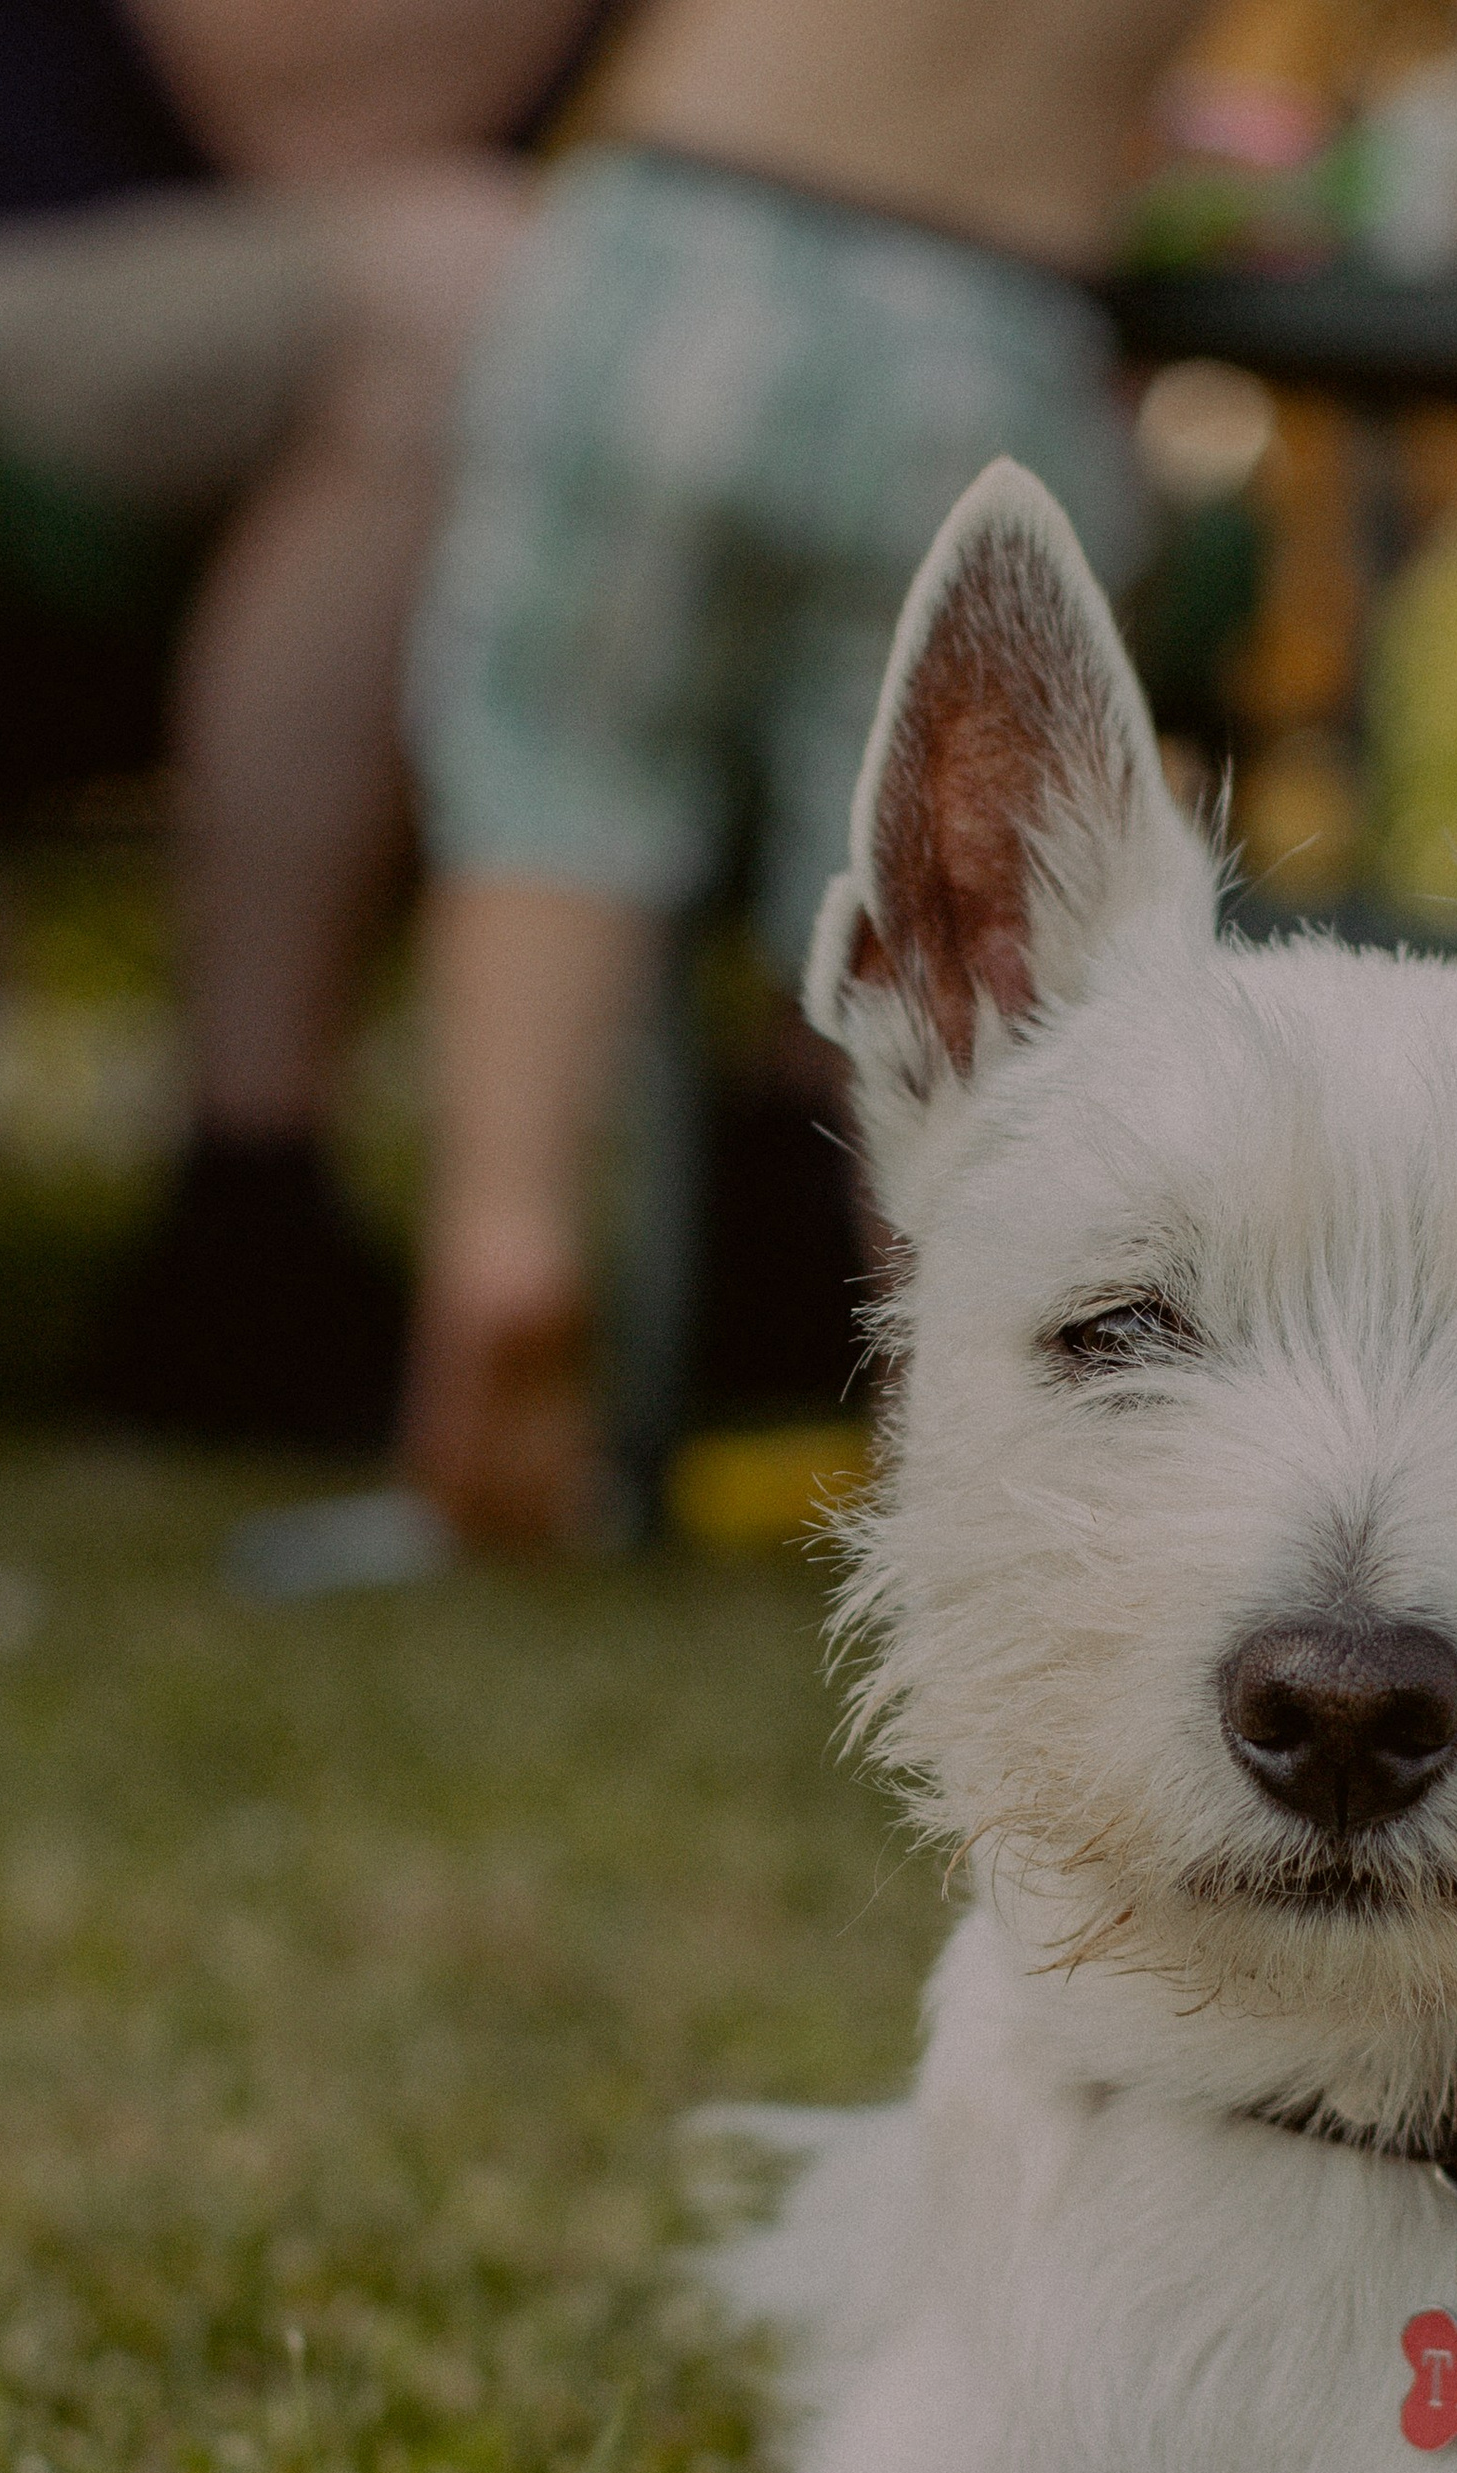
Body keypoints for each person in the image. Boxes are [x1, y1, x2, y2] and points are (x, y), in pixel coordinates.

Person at [397, 0, 1216, 1550]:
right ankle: (977, 1444)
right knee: (953, 929)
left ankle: (505, 1241)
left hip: (669, 236)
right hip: (981, 311)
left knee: (550, 775)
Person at [0, 0, 614, 1445]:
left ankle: (801, 1200)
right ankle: (250, 1207)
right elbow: (309, 111)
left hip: (193, 280)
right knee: (458, 288)